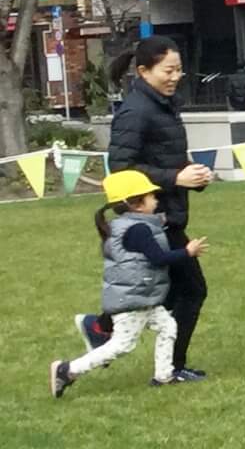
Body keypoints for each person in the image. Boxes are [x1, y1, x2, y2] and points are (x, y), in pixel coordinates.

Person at [85, 38, 214, 380]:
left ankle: (101, 327)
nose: (175, 77)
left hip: (166, 212)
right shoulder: (135, 110)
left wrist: (194, 175)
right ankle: (171, 367)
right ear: (143, 71)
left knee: (160, 293)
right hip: (151, 218)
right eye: (168, 70)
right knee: (191, 290)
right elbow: (122, 167)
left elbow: (162, 156)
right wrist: (175, 177)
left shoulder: (164, 104)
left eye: (178, 69)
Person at [51, 170, 208, 397]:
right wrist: (187, 252)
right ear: (137, 204)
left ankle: (164, 376)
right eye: (151, 196)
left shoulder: (128, 225)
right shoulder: (138, 230)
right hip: (133, 301)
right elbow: (159, 259)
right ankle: (68, 370)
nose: (156, 199)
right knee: (122, 345)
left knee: (168, 327)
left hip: (144, 297)